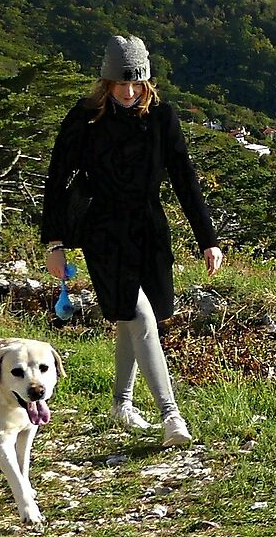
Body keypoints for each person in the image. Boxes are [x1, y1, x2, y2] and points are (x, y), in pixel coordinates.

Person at [41, 34, 221, 446]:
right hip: (102, 230)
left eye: (135, 83)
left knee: (138, 318)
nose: (128, 91)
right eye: (120, 83)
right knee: (137, 316)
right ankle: (171, 416)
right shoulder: (84, 118)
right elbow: (57, 179)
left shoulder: (162, 117)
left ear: (146, 82)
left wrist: (207, 238)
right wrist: (55, 242)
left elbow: (185, 179)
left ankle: (121, 404)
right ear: (106, 82)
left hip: (150, 230)